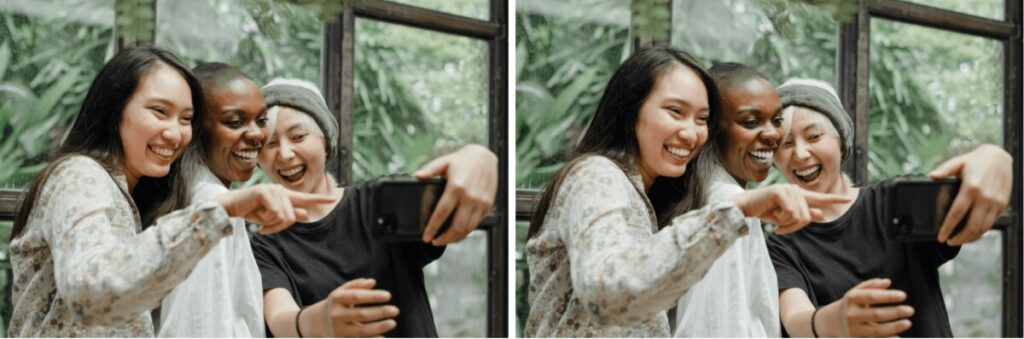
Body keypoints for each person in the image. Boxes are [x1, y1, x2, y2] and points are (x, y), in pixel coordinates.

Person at [523, 46, 850, 337]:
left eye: (702, 119)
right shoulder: (596, 175)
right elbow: (607, 294)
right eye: (675, 112)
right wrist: (737, 211)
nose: (692, 132)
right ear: (631, 109)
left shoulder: (647, 195)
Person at [7, 47, 332, 337]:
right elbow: (89, 292)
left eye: (186, 119)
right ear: (115, 109)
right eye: (159, 112)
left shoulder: (129, 195)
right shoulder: (80, 175)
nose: (175, 133)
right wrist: (220, 212)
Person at [250, 78, 498, 337]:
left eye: (298, 136)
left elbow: (451, 195)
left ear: (326, 141)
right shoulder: (265, 245)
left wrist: (479, 157)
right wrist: (320, 320)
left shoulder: (380, 200)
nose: (285, 154)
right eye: (270, 144)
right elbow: (280, 319)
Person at [767, 78, 1012, 337]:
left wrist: (994, 158)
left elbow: (966, 194)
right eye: (785, 144)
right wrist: (835, 320)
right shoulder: (781, 245)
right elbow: (796, 319)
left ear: (841, 142)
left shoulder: (895, 200)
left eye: (814, 136)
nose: (801, 153)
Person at [156, 62, 268, 337]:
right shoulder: (212, 203)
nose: (256, 134)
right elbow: (198, 327)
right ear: (195, 130)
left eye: (262, 120)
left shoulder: (194, 194)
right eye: (234, 122)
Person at [672, 62, 782, 337]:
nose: (772, 134)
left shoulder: (705, 194)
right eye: (750, 122)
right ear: (712, 130)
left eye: (777, 120)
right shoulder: (729, 203)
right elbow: (717, 326)